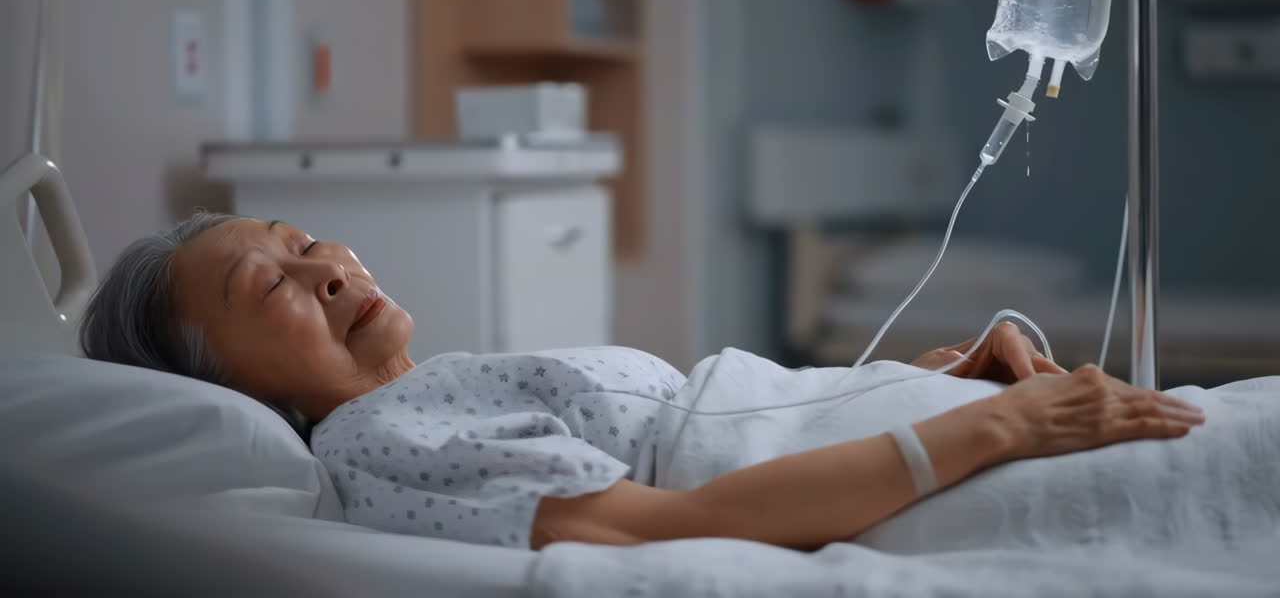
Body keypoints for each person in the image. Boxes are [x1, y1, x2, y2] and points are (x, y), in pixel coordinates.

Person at [81, 213, 1206, 551]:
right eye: (266, 285)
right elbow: (692, 518)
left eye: (302, 239)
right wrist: (995, 428)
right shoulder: (379, 444)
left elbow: (749, 419)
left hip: (940, 444)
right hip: (948, 477)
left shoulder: (441, 388)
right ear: (231, 388)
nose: (324, 267)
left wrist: (934, 379)